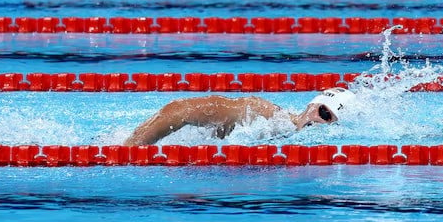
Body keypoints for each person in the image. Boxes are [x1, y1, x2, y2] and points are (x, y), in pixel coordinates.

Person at [124, 87, 356, 146]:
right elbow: (179, 110)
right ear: (311, 104)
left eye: (327, 118)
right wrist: (131, 149)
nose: (317, 119)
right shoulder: (258, 111)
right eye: (321, 109)